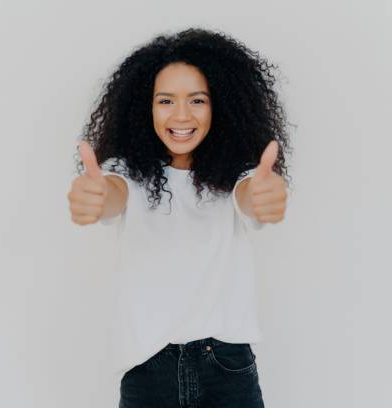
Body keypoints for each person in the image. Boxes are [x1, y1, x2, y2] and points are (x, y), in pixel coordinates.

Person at [67, 27, 291, 408]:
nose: (182, 115)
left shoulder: (236, 171)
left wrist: (263, 196)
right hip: (147, 369)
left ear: (220, 106)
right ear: (145, 107)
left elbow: (249, 194)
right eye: (166, 101)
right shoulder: (127, 172)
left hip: (227, 366)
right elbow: (114, 193)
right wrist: (97, 195)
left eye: (198, 100)